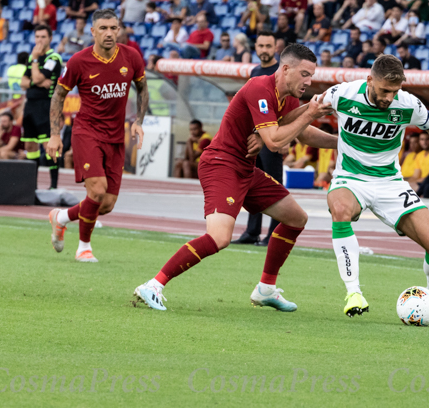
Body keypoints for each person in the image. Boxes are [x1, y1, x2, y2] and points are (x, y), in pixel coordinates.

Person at [134, 44, 336, 312]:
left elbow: (303, 133)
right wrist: (309, 113)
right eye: (305, 74)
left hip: (245, 168)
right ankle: (153, 285)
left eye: (312, 75)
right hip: (221, 164)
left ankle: (265, 289)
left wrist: (343, 143)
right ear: (286, 69)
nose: (309, 81)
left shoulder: (289, 98)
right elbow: (275, 141)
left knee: (296, 218)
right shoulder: (259, 88)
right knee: (219, 237)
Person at [321, 55, 429, 321]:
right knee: (340, 209)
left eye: (395, 91)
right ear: (370, 80)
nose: (390, 98)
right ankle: (353, 293)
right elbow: (305, 112)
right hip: (350, 178)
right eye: (384, 91)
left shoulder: (408, 104)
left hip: (390, 183)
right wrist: (273, 131)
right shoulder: (341, 93)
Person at [46, 9, 149, 263]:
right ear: (93, 32)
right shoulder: (79, 61)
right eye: (103, 28)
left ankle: (60, 218)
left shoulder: (131, 57)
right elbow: (58, 96)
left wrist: (138, 121)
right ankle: (84, 247)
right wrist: (55, 135)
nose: (109, 33)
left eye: (113, 28)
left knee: (106, 204)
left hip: (115, 137)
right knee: (97, 190)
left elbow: (142, 87)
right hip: (87, 132)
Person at [232, 32, 287, 246]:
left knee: (274, 186)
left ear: (276, 47)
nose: (264, 49)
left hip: (272, 138)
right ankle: (252, 232)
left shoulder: (280, 73)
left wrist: (284, 137)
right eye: (261, 45)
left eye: (268, 46)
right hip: (253, 138)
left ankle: (273, 234)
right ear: (255, 47)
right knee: (251, 184)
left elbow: (285, 108)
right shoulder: (255, 72)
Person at [21, 25, 63, 189]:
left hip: (47, 106)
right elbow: (23, 82)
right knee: (30, 145)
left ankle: (53, 185)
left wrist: (36, 61)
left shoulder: (54, 58)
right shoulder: (33, 57)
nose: (39, 40)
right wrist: (34, 82)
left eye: (43, 37)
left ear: (50, 38)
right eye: (37, 37)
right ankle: (33, 185)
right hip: (30, 106)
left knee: (49, 146)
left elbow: (38, 77)